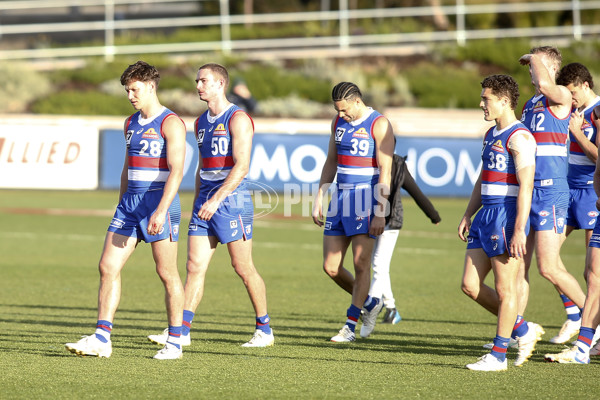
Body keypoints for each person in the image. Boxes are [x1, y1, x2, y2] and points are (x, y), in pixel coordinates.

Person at [65, 61, 187, 360]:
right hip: (130, 205)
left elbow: (177, 171)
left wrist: (161, 210)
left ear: (151, 86)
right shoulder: (130, 123)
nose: (130, 95)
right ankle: (102, 338)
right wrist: (121, 202)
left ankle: (174, 342)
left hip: (159, 203)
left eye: (134, 89)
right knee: (107, 267)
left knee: (167, 273)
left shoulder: (170, 122)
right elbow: (126, 168)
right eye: (127, 90)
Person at [148, 63, 274, 348]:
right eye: (197, 81)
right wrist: (199, 201)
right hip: (205, 203)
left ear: (220, 84)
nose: (198, 86)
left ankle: (264, 329)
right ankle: (181, 331)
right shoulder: (200, 122)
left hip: (232, 202)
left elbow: (242, 167)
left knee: (242, 266)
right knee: (194, 266)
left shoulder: (238, 118)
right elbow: (202, 167)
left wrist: (217, 200)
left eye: (204, 81)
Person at [459, 74, 537, 371]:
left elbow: (526, 186)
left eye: (486, 99)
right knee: (469, 285)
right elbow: (483, 177)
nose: (481, 104)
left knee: (506, 290)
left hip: (506, 216)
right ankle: (522, 329)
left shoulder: (520, 137)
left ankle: (499, 355)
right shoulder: (491, 133)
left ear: (504, 102)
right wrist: (468, 213)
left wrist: (519, 229)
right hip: (485, 216)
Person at [312, 81, 394, 342]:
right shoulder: (337, 124)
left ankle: (350, 325)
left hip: (365, 198)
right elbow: (331, 161)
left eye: (345, 110)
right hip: (340, 198)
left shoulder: (379, 124)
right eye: (337, 110)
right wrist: (320, 196)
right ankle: (370, 303)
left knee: (360, 264)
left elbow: (386, 171)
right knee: (331, 267)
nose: (341, 115)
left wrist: (380, 212)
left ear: (358, 102)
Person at [517, 46, 586, 345]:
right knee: (518, 267)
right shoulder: (530, 103)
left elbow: (545, 83)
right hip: (529, 191)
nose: (532, 70)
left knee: (549, 266)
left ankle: (590, 320)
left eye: (537, 64)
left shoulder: (558, 94)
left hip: (551, 191)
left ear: (550, 68)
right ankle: (510, 334)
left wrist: (533, 58)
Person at [547, 62, 600, 344]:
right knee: (548, 260)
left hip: (592, 192)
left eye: (572, 91)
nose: (569, 97)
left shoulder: (597, 111)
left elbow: (599, 156)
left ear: (585, 85)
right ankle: (573, 314)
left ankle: (592, 330)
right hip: (567, 190)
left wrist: (578, 133)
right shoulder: (573, 111)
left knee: (593, 272)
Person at [369, 153, 441, 326]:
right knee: (378, 265)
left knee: (378, 264)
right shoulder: (369, 160)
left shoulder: (398, 165)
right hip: (370, 219)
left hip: (391, 221)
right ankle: (391, 308)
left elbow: (415, 190)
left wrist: (433, 215)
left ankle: (369, 307)